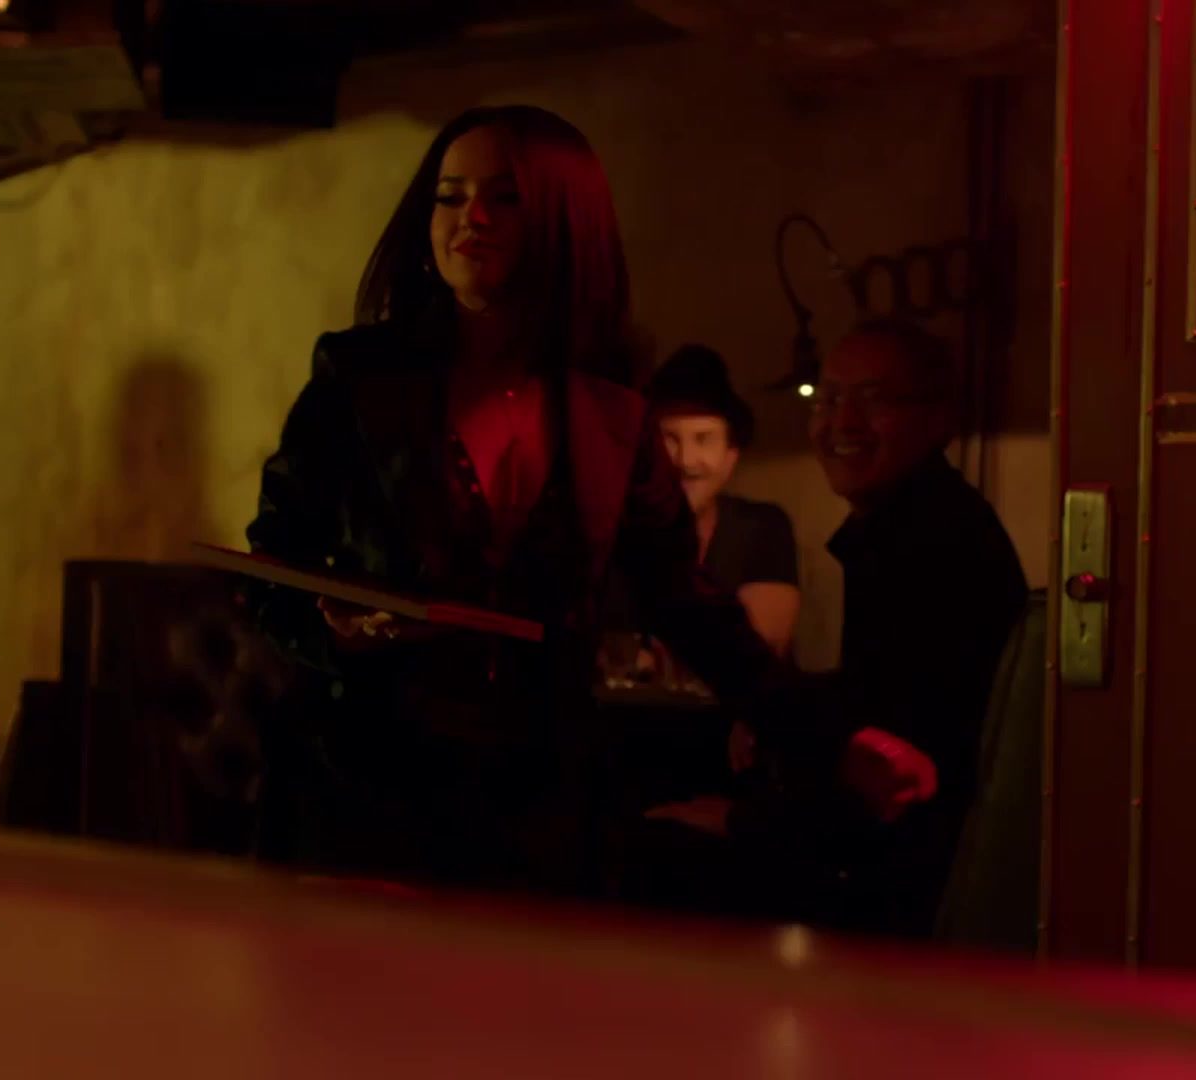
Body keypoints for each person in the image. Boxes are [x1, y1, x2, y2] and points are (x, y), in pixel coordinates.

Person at [242, 105, 933, 896]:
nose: (470, 218)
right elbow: (271, 561)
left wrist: (830, 741)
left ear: (566, 225)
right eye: (449, 195)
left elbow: (688, 602)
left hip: (533, 810)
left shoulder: (609, 408)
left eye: (504, 198)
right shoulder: (362, 376)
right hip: (360, 790)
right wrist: (331, 631)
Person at [650, 319, 1028, 938]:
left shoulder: (934, 547)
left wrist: (747, 821)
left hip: (902, 889)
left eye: (875, 400)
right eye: (827, 401)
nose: (842, 423)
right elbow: (882, 694)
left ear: (941, 420)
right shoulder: (909, 525)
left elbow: (904, 763)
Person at [647, 345, 800, 658]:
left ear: (731, 453)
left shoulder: (760, 527)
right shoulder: (614, 532)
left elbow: (757, 651)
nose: (685, 460)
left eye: (703, 439)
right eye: (669, 439)